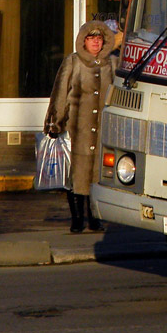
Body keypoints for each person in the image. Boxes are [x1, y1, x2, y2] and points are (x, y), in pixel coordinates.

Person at [43, 20, 118, 233]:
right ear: (83, 41)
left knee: (98, 175)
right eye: (90, 38)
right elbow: (59, 93)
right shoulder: (73, 62)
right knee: (77, 175)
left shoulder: (112, 63)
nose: (95, 42)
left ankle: (95, 217)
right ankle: (77, 219)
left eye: (99, 38)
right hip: (77, 129)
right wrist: (55, 123)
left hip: (104, 131)